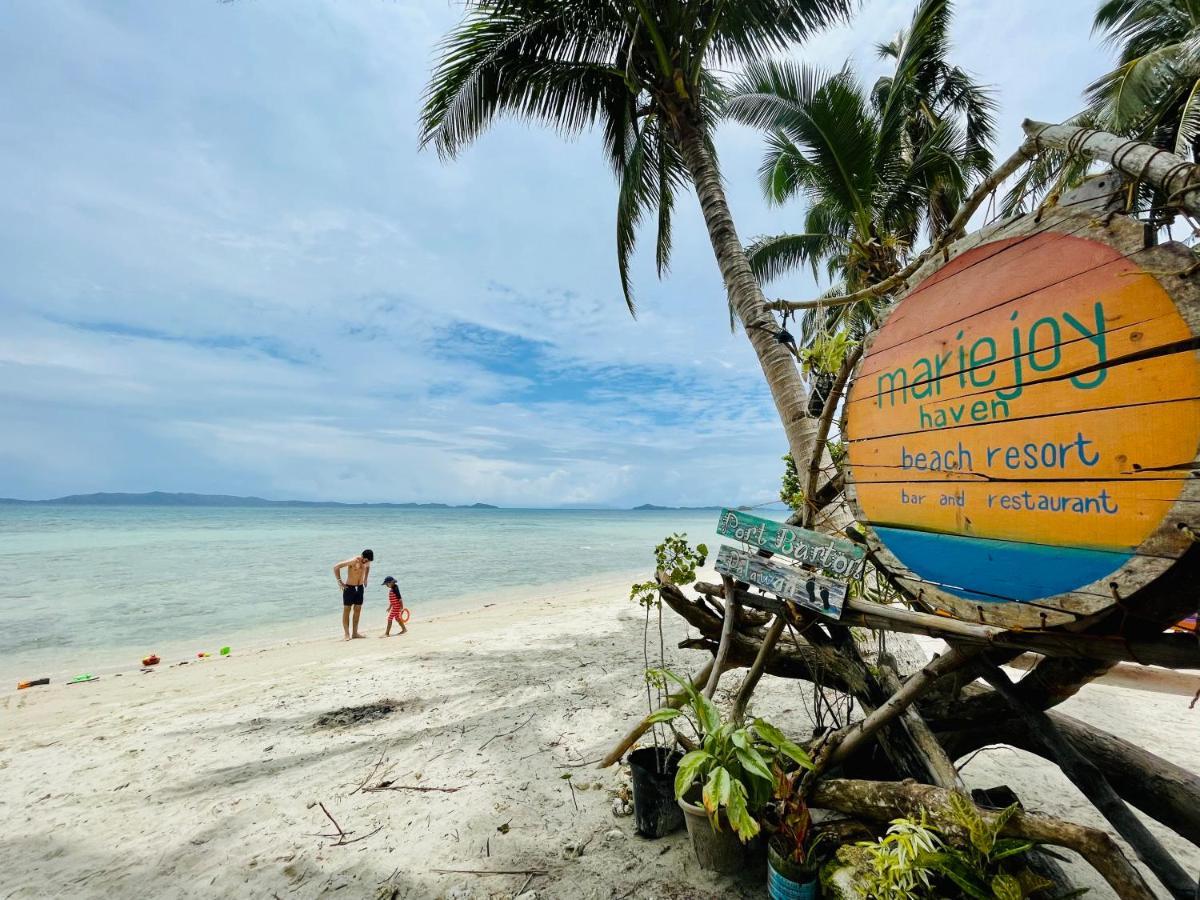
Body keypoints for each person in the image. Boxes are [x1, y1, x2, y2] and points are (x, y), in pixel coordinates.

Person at [333, 549, 373, 640]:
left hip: (359, 587)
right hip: (349, 588)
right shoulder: (354, 561)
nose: (366, 562)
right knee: (347, 610)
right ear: (362, 556)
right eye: (365, 560)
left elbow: (368, 567)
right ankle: (346, 634)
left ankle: (355, 633)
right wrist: (339, 581)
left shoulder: (367, 562)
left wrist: (366, 579)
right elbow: (336, 567)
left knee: (357, 610)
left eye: (368, 561)